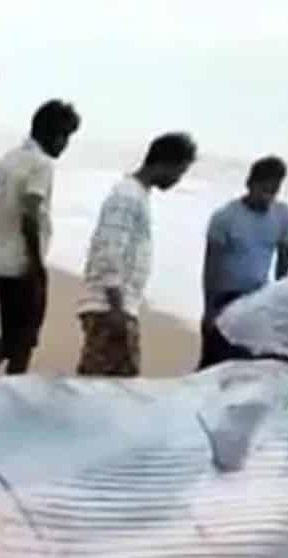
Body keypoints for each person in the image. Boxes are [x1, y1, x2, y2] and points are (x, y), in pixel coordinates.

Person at [0, 99, 80, 377]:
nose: (65, 146)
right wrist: (36, 263)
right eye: (66, 137)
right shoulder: (41, 165)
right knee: (24, 340)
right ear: (56, 135)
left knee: (12, 334)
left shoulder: (5, 160)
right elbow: (30, 211)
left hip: (1, 258)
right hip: (23, 262)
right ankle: (12, 391)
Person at [76, 132, 196, 377]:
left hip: (116, 304)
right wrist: (117, 309)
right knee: (108, 386)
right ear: (164, 163)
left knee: (107, 382)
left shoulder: (136, 194)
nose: (177, 180)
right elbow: (110, 251)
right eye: (179, 172)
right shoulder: (127, 196)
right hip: (109, 306)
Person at [198, 156, 288, 368]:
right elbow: (211, 266)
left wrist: (283, 303)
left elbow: (284, 263)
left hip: (259, 298)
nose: (267, 197)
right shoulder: (224, 217)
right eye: (263, 190)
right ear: (249, 184)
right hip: (226, 297)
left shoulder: (283, 215)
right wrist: (209, 309)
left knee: (247, 366)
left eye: (274, 191)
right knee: (212, 365)